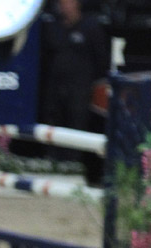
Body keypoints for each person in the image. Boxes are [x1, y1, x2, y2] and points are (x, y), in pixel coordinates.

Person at [40, 0, 108, 178]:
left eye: (67, 2)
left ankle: (74, 166)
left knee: (76, 124)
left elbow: (101, 59)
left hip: (79, 89)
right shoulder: (52, 26)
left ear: (77, 4)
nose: (64, 6)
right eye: (61, 3)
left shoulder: (90, 26)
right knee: (53, 121)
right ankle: (53, 163)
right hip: (55, 87)